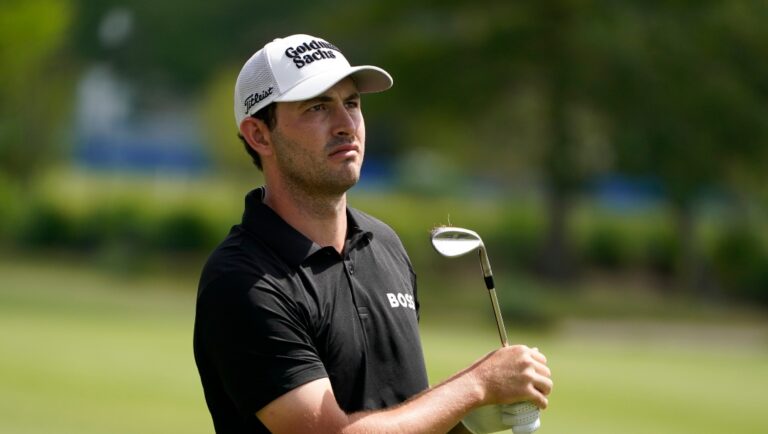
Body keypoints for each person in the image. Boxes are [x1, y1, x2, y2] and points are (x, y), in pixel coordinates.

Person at [193, 34, 553, 434]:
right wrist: (476, 385)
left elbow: (401, 411)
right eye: (317, 107)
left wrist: (473, 419)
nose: (346, 125)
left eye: (351, 103)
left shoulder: (384, 245)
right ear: (259, 135)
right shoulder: (242, 280)